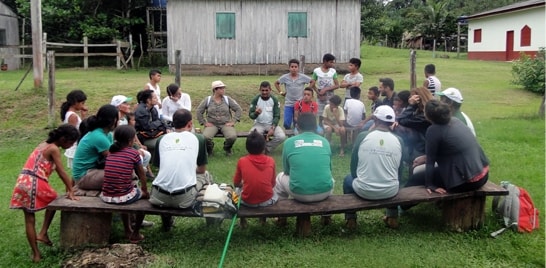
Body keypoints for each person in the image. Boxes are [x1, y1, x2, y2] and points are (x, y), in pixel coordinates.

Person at [10, 124, 80, 262]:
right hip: (35, 181)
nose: (71, 145)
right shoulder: (54, 149)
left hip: (22, 181)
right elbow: (61, 171)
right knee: (55, 200)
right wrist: (71, 190)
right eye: (71, 142)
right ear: (63, 139)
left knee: (29, 219)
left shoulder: (43, 144)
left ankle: (36, 254)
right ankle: (42, 233)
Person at [406, 100, 489, 194]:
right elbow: (452, 149)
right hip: (483, 174)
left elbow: (431, 161)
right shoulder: (456, 121)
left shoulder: (433, 130)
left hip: (467, 182)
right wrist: (425, 158)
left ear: (428, 116)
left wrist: (430, 184)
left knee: (417, 177)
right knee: (430, 173)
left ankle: (399, 206)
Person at [149, 109, 213, 231]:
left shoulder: (161, 139)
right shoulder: (198, 138)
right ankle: (212, 220)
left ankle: (166, 223)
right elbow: (201, 169)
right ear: (190, 124)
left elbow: (158, 166)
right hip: (184, 199)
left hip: (158, 196)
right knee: (206, 175)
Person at [343, 106, 404, 229]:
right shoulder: (399, 140)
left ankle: (351, 219)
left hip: (363, 189)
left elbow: (353, 167)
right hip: (390, 190)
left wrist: (360, 179)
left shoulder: (363, 136)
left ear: (375, 119)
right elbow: (399, 171)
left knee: (347, 180)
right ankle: (392, 216)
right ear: (392, 123)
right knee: (393, 179)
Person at [274, 113, 334, 225]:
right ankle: (326, 215)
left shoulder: (289, 143)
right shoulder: (325, 142)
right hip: (324, 192)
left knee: (279, 178)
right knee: (330, 178)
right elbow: (330, 169)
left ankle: (281, 216)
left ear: (297, 127)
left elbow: (286, 171)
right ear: (316, 127)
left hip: (299, 193)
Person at [100, 125, 149, 243]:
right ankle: (135, 233)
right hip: (122, 196)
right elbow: (142, 174)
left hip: (106, 196)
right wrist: (145, 190)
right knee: (145, 201)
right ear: (130, 141)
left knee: (126, 191)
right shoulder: (133, 153)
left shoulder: (111, 153)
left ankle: (127, 230)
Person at [233, 130, 277, 227]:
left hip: (247, 201)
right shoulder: (271, 160)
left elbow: (236, 183)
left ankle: (242, 221)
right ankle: (263, 220)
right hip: (266, 201)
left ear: (247, 147)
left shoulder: (242, 161)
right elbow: (273, 183)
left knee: (236, 191)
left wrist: (243, 184)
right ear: (263, 147)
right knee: (275, 192)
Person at [72, 104, 119, 190]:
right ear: (113, 120)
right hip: (83, 177)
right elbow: (114, 159)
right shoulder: (99, 137)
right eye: (117, 119)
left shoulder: (106, 134)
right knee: (122, 174)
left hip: (92, 172)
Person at [196, 80, 242, 156]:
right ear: (215, 90)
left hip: (225, 124)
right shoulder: (208, 100)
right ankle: (209, 149)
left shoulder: (227, 99)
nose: (223, 90)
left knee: (232, 137)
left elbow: (238, 109)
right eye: (221, 88)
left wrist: (233, 121)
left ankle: (227, 148)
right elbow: (199, 111)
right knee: (205, 137)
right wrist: (204, 122)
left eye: (223, 88)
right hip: (212, 124)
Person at [392, 87, 433, 161]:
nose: (410, 100)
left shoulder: (424, 116)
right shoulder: (422, 111)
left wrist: (411, 106)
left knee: (398, 127)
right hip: (421, 144)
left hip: (423, 149)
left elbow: (402, 121)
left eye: (412, 97)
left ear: (418, 99)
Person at [274, 58, 314, 129]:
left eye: (296, 67)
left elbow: (312, 81)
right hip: (288, 103)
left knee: (297, 123)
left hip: (299, 104)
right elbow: (276, 83)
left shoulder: (302, 77)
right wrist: (281, 92)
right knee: (286, 123)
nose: (294, 69)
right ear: (289, 68)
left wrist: (307, 91)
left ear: (298, 68)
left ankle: (296, 136)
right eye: (292, 67)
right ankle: (289, 136)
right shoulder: (285, 77)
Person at [249, 81, 286, 154]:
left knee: (281, 136)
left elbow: (277, 115)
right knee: (251, 136)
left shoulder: (274, 100)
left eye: (266, 90)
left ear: (270, 90)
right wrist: (256, 113)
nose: (264, 92)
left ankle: (266, 148)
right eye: (262, 90)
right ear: (260, 90)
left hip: (271, 124)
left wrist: (273, 127)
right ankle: (256, 151)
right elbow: (251, 115)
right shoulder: (255, 99)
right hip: (259, 124)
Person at [134, 89, 168, 155]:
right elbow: (147, 126)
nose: (157, 99)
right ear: (148, 100)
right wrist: (159, 123)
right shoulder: (141, 111)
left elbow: (159, 120)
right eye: (155, 98)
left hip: (151, 132)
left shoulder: (153, 108)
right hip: (142, 136)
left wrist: (166, 127)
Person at [60, 89, 88, 168]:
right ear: (75, 102)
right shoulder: (73, 116)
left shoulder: (70, 114)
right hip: (75, 147)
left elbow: (81, 127)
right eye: (82, 103)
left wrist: (83, 116)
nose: (83, 106)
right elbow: (73, 132)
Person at [312, 53, 339, 126]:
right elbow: (312, 84)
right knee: (321, 113)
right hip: (321, 95)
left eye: (333, 62)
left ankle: (329, 128)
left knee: (329, 111)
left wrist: (326, 89)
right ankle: (321, 129)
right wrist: (318, 93)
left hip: (330, 94)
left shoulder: (333, 71)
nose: (332, 64)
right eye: (330, 62)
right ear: (325, 61)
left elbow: (337, 85)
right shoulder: (317, 71)